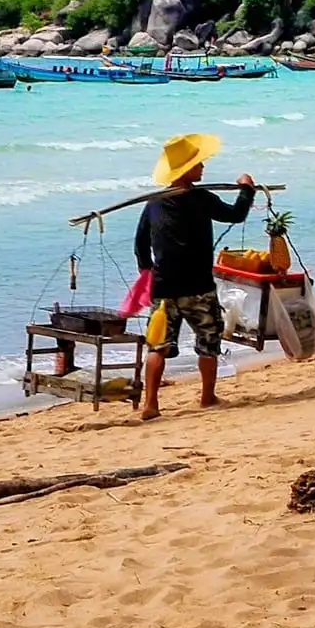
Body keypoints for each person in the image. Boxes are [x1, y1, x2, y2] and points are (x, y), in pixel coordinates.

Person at [133, 133, 254, 420]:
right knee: (208, 342)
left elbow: (140, 244)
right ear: (186, 170)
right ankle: (207, 397)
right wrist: (246, 189)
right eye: (198, 164)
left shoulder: (153, 204)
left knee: (157, 346)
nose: (203, 168)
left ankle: (151, 404)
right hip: (198, 287)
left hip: (163, 289)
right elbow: (236, 215)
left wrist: (148, 271)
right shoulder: (202, 199)